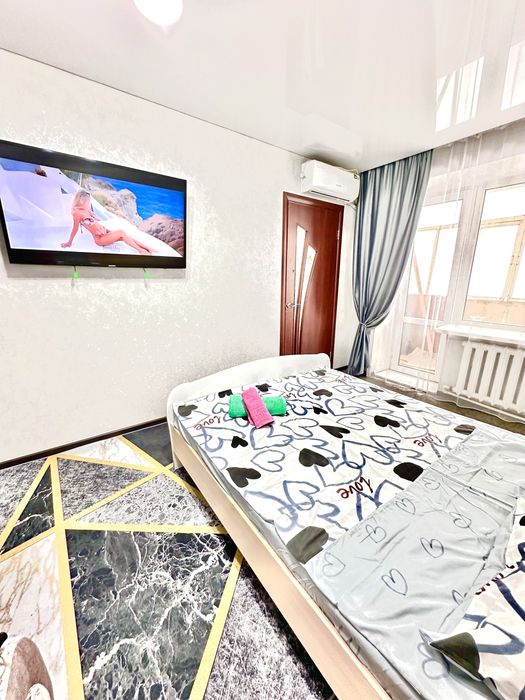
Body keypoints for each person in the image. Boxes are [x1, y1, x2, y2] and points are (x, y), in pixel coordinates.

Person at [61, 190, 156, 254]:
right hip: (100, 238)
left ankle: (147, 248)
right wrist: (69, 242)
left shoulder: (86, 210)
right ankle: (141, 251)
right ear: (82, 201)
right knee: (121, 232)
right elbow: (75, 229)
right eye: (88, 201)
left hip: (105, 231)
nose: (89, 203)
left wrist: (102, 226)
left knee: (125, 236)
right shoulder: (77, 213)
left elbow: (96, 221)